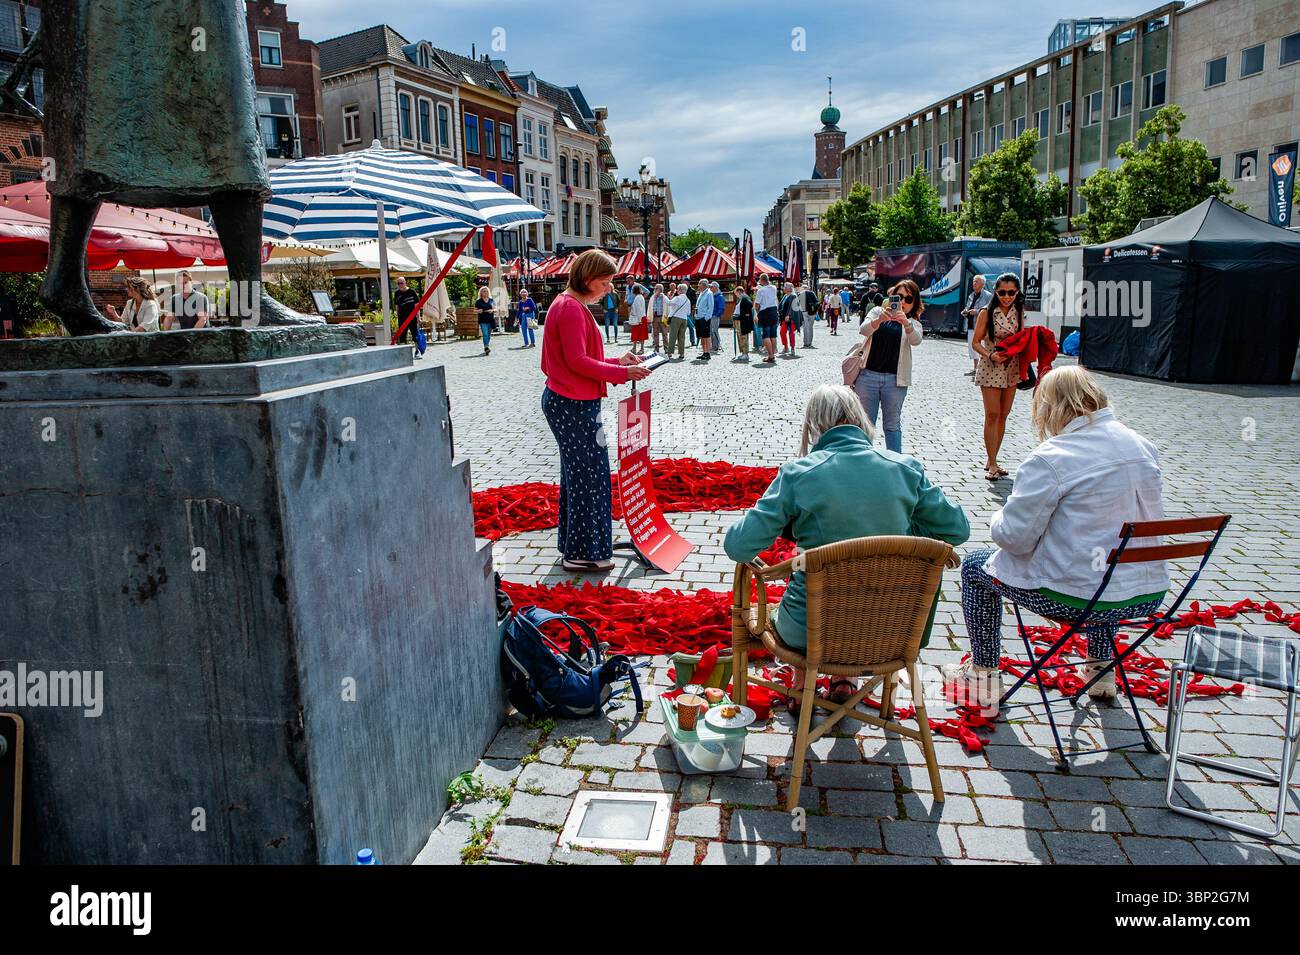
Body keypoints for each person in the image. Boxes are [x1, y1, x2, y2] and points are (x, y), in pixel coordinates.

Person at [942, 367, 1168, 716]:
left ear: (1049, 407)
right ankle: (1100, 670)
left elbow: (1012, 538)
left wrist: (996, 517)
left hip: (1075, 598)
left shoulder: (1052, 457)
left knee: (974, 567)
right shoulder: (1142, 445)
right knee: (1107, 561)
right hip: (1144, 594)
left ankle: (983, 675)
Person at [724, 384, 970, 705]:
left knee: (808, 602)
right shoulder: (906, 468)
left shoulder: (798, 474)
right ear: (859, 418)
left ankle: (802, 686)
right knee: (858, 598)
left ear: (814, 426)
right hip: (892, 629)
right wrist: (905, 526)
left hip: (809, 632)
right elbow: (958, 529)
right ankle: (844, 680)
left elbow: (738, 547)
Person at [540, 249, 653, 572]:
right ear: (587, 280)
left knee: (581, 475)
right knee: (589, 477)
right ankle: (582, 553)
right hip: (572, 403)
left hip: (572, 400)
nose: (609, 290)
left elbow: (581, 357)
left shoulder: (570, 305)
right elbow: (577, 362)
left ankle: (576, 545)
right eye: (604, 283)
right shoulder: (572, 309)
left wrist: (619, 362)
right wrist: (622, 374)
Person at [852, 279, 924, 454]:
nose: (903, 302)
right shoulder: (877, 311)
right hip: (868, 376)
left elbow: (916, 340)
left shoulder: (912, 322)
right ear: (892, 296)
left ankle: (895, 464)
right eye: (900, 297)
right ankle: (862, 461)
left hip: (895, 381)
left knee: (892, 424)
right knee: (865, 424)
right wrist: (878, 321)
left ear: (914, 303)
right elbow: (863, 330)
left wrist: (906, 324)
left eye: (909, 299)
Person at [972, 272, 1023, 481]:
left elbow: (1021, 336)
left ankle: (994, 457)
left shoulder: (1019, 310)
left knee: (1003, 415)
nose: (1007, 296)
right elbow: (975, 342)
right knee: (992, 414)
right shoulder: (987, 312)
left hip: (1012, 367)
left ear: (1017, 292)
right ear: (996, 292)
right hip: (991, 366)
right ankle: (992, 462)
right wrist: (990, 354)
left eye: (1011, 292)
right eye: (1002, 292)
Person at [961, 274, 992, 376]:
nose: (974, 283)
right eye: (974, 281)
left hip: (981, 325)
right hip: (971, 324)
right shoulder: (971, 295)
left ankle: (983, 369)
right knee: (972, 347)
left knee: (981, 347)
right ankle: (975, 368)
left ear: (983, 284)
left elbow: (990, 310)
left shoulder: (988, 296)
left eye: (976, 281)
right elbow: (968, 306)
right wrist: (965, 311)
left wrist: (977, 311)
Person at [754, 274, 779, 364]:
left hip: (765, 312)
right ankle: (773, 354)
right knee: (773, 335)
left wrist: (756, 314)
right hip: (774, 311)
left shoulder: (761, 291)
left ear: (761, 280)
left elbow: (756, 304)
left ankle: (770, 356)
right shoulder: (774, 288)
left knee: (766, 335)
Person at [393, 276, 421, 347]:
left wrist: (419, 317)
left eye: (401, 283)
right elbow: (397, 306)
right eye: (398, 283)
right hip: (402, 317)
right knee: (402, 335)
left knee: (415, 335)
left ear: (405, 283)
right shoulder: (397, 293)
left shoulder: (412, 292)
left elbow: (417, 305)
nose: (400, 285)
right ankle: (403, 353)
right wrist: (397, 316)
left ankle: (417, 351)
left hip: (412, 316)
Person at [666, 283, 691, 360]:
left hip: (676, 318)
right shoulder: (688, 300)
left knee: (673, 336)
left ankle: (670, 353)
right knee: (682, 337)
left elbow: (668, 303)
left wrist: (664, 296)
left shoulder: (677, 298)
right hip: (684, 319)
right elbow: (688, 313)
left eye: (678, 289)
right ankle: (681, 353)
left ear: (680, 290)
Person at [693, 278, 713, 361]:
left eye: (699, 284)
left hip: (704, 318)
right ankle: (704, 352)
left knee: (706, 336)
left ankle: (707, 353)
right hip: (698, 317)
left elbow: (710, 306)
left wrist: (706, 317)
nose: (698, 285)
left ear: (704, 285)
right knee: (701, 336)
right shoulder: (701, 293)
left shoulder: (709, 293)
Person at [732, 284, 754, 361]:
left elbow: (749, 306)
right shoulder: (742, 299)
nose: (736, 295)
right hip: (739, 320)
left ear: (739, 292)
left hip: (743, 321)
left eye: (736, 294)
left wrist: (745, 315)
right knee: (740, 336)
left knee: (743, 337)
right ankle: (743, 353)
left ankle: (745, 353)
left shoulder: (745, 298)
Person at [628, 283, 649, 355]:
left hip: (639, 318)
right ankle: (641, 348)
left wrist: (639, 320)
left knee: (636, 334)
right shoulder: (641, 297)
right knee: (642, 334)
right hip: (642, 317)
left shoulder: (637, 298)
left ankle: (635, 348)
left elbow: (638, 310)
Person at [778, 282, 798, 356]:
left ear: (789, 288)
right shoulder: (785, 296)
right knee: (782, 332)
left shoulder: (793, 296)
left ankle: (792, 348)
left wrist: (789, 315)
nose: (784, 288)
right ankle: (786, 347)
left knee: (791, 333)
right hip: (784, 318)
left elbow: (794, 307)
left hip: (791, 318)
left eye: (785, 287)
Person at [475, 285, 495, 355]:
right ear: (481, 293)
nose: (485, 292)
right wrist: (479, 311)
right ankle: (486, 347)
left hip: (490, 319)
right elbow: (474, 311)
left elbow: (494, 309)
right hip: (482, 320)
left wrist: (492, 310)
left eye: (486, 291)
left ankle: (487, 345)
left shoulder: (491, 300)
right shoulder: (478, 301)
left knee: (489, 334)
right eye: (483, 291)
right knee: (485, 334)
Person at [650, 283, 668, 353]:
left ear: (660, 290)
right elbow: (650, 307)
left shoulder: (665, 298)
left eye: (656, 288)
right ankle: (656, 348)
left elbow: (667, 308)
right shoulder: (653, 297)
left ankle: (666, 348)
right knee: (655, 334)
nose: (654, 290)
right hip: (655, 318)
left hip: (662, 318)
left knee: (665, 334)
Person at [799, 281, 816, 348]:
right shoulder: (812, 293)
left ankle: (805, 342)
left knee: (805, 328)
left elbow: (798, 304)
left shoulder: (800, 294)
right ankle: (810, 342)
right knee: (810, 327)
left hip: (803, 312)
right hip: (812, 312)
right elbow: (817, 302)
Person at [709, 280, 725, 353]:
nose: (710, 288)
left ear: (715, 287)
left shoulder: (720, 296)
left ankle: (716, 346)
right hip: (711, 316)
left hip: (714, 316)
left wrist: (716, 315)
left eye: (711, 287)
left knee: (714, 331)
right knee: (711, 332)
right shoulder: (712, 295)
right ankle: (714, 346)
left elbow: (721, 308)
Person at [684, 281, 698, 346]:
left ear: (688, 283)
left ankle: (692, 341)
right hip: (681, 311)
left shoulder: (692, 290)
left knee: (691, 326)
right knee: (681, 327)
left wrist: (687, 301)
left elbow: (694, 299)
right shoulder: (681, 289)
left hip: (689, 310)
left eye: (685, 282)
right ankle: (680, 341)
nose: (684, 283)